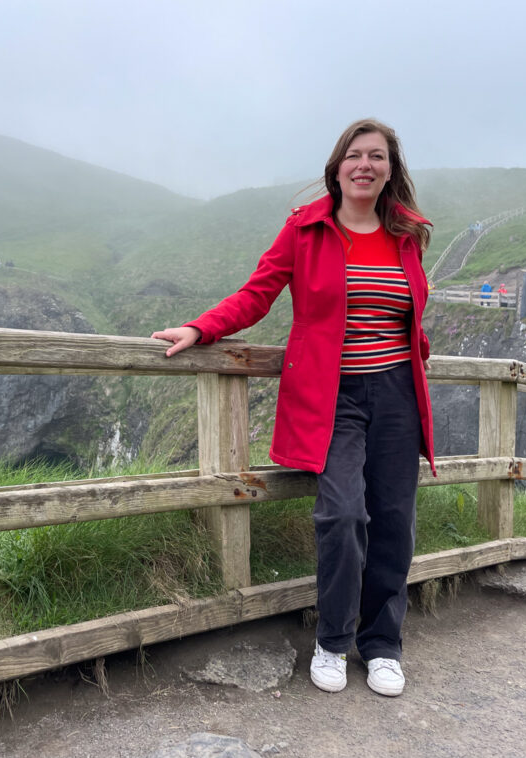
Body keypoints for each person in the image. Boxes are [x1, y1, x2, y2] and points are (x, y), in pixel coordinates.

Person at [152, 118, 434, 698]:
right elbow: (258, 293)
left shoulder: (407, 234)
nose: (365, 165)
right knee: (342, 515)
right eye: (354, 155)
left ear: (390, 169)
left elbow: (407, 314)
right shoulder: (306, 229)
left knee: (395, 524)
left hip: (399, 396)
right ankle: (333, 639)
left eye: (376, 156)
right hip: (334, 397)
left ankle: (382, 646)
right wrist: (200, 327)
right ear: (336, 168)